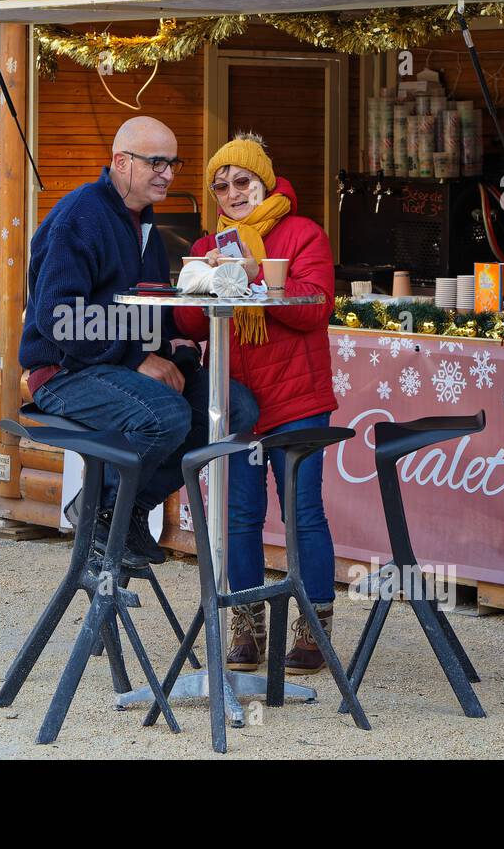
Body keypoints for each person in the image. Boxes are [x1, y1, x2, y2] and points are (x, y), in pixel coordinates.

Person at [20, 116, 259, 569]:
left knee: (234, 407)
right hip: (64, 373)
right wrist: (134, 357)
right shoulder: (78, 216)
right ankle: (99, 513)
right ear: (121, 162)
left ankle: (127, 511)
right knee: (166, 415)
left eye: (173, 162)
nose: (168, 173)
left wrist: (179, 355)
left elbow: (153, 309)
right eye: (156, 162)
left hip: (117, 368)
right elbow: (58, 317)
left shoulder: (146, 224)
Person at [173, 132, 338, 675]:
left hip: (297, 401)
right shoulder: (207, 245)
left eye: (241, 181)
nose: (231, 193)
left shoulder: (302, 233)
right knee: (241, 514)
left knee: (302, 514)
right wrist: (211, 278)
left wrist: (255, 278)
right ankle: (245, 629)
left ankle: (312, 631)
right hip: (238, 405)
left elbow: (314, 307)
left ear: (263, 181)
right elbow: (190, 323)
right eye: (220, 185)